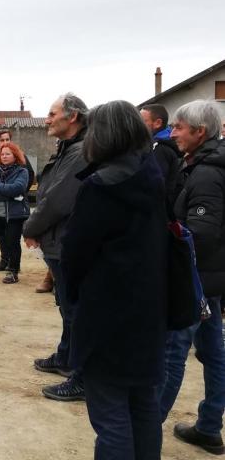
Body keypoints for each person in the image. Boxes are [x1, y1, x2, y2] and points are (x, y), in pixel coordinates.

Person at [60, 101, 167, 458]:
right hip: (149, 306)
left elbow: (74, 254)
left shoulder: (101, 186)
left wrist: (72, 297)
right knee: (142, 404)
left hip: (107, 311)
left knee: (110, 413)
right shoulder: (152, 175)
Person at [159, 100, 225, 456]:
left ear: (200, 132)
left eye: (180, 127)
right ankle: (209, 426)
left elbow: (200, 232)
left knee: (173, 353)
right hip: (212, 279)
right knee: (215, 353)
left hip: (196, 280)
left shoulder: (207, 172)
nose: (174, 133)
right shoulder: (205, 163)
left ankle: (145, 429)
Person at [23, 92, 89, 402]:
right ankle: (66, 356)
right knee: (66, 305)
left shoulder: (79, 153)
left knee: (76, 310)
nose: (47, 119)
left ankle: (81, 373)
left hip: (69, 241)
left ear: (72, 117)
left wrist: (32, 227)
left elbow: (58, 200)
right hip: (58, 241)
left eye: (52, 113)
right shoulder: (68, 148)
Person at [0, 130, 35, 270]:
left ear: (15, 155)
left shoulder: (22, 170)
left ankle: (13, 270)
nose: (4, 156)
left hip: (14, 214)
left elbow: (18, 187)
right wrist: (9, 195)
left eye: (8, 154)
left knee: (11, 242)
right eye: (2, 153)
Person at [139, 104, 181, 205]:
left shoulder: (160, 149)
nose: (138, 125)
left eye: (142, 121)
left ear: (157, 123)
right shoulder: (155, 144)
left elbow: (154, 187)